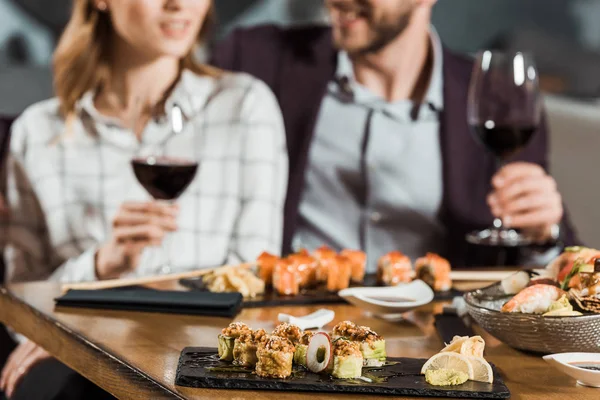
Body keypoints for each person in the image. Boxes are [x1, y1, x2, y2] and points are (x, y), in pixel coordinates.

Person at [0, 0, 287, 398]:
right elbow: (20, 315)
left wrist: (87, 323)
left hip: (207, 375)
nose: (180, 6)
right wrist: (100, 266)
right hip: (89, 377)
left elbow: (254, 285)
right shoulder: (38, 133)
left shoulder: (244, 108)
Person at [211, 0, 579, 268]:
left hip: (434, 342)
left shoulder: (498, 98)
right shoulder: (259, 56)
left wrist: (543, 235)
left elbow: (561, 260)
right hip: (292, 327)